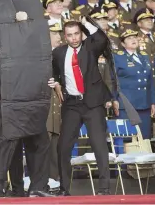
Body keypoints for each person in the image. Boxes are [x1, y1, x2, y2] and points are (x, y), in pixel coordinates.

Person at [52, 19, 111, 195]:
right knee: (63, 146)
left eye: (76, 33)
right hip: (71, 104)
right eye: (69, 35)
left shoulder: (89, 48)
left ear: (81, 33)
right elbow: (53, 72)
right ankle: (64, 189)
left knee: (99, 145)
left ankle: (104, 189)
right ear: (65, 36)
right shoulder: (58, 53)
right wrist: (55, 83)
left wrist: (88, 24)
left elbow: (102, 40)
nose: (74, 38)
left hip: (92, 104)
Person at [114, 29, 155, 138]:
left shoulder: (144, 56)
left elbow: (150, 81)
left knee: (145, 137)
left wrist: (152, 102)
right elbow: (112, 80)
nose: (133, 39)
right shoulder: (118, 57)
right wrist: (114, 99)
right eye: (129, 38)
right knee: (128, 138)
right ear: (123, 44)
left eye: (134, 37)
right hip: (127, 104)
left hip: (144, 103)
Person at [47, 23, 63, 184]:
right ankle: (45, 180)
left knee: (56, 146)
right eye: (55, 34)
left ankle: (55, 179)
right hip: (45, 108)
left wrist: (59, 84)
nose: (59, 37)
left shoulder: (61, 55)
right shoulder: (40, 56)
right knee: (45, 145)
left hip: (58, 107)